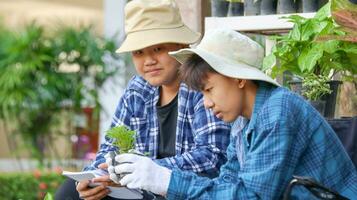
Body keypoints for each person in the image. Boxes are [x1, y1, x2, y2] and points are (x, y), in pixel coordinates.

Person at [112, 28, 357, 199]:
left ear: (238, 78)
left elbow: (253, 196)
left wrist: (166, 180)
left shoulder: (278, 111)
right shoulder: (242, 121)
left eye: (209, 90)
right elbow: (227, 185)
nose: (206, 103)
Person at [55, 1, 230, 199]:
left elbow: (213, 157)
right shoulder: (138, 89)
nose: (148, 61)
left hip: (188, 191)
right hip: (142, 190)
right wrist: (93, 176)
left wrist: (146, 171)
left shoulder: (202, 86)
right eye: (139, 52)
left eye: (157, 49)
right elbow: (110, 147)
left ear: (180, 45)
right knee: (73, 190)